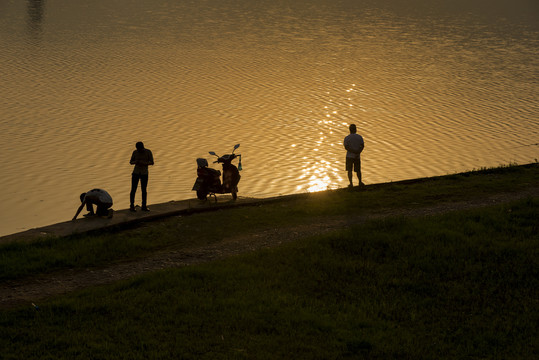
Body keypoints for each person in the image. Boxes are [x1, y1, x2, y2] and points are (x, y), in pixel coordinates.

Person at [130, 141, 154, 212]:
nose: (140, 151)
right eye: (138, 149)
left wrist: (144, 163)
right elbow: (131, 162)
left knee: (144, 190)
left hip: (144, 173)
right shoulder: (135, 152)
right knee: (133, 189)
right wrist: (136, 162)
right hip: (136, 173)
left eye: (141, 149)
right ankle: (132, 206)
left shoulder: (148, 152)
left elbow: (152, 162)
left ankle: (144, 206)